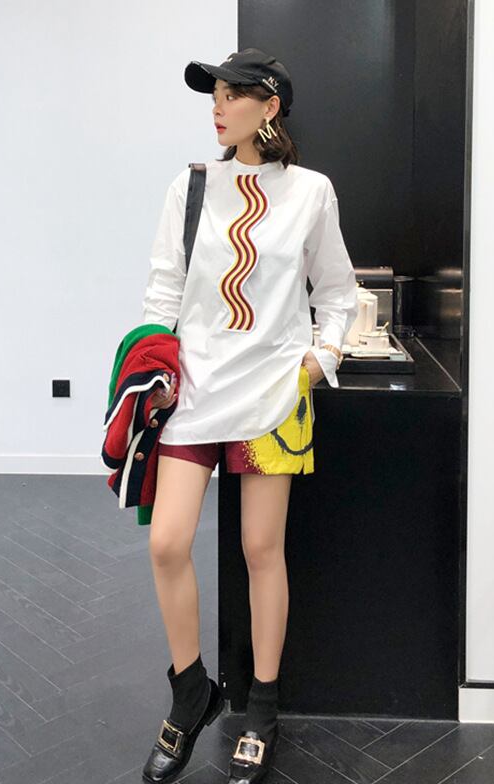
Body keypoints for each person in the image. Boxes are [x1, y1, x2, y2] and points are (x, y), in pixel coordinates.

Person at [140, 48, 358, 784]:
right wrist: (155, 366)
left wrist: (317, 361)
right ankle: (191, 691)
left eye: (233, 94)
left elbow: (339, 293)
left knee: (262, 549)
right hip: (193, 392)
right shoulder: (191, 186)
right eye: (215, 93)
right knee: (167, 542)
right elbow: (163, 289)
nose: (218, 105)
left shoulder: (311, 193)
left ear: (270, 106)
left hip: (271, 397)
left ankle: (262, 707)